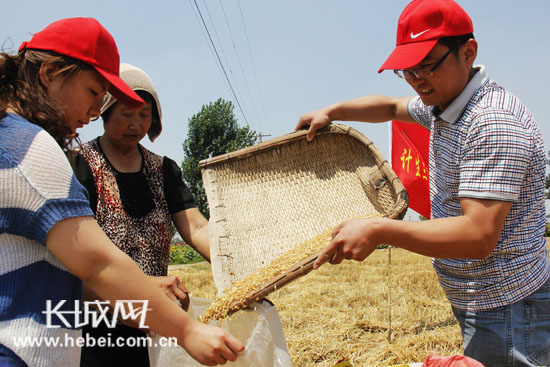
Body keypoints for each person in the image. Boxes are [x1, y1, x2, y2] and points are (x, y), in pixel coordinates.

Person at [295, 1, 550, 366]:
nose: (416, 79)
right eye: (407, 70)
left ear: (468, 51)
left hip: (508, 307)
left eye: (427, 66)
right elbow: (388, 107)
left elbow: (478, 235)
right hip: (482, 299)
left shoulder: (492, 122)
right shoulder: (444, 103)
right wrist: (332, 112)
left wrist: (380, 229)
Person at [0, 17, 243, 367]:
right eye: (93, 93)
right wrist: (186, 331)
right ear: (50, 73)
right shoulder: (33, 149)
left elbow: (59, 270)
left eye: (144, 115)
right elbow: (95, 262)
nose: (93, 110)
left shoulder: (162, 168)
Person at [68, 63, 211, 367]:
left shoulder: (164, 170)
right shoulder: (81, 166)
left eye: (144, 114)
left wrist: (234, 262)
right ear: (105, 112)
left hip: (153, 319)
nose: (136, 124)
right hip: (97, 321)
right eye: (127, 114)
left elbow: (196, 227)